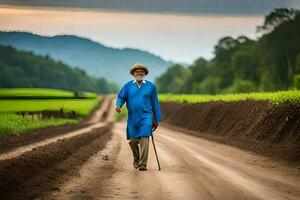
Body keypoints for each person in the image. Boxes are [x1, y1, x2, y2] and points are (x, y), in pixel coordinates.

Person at [115, 63, 162, 171]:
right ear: (133, 74)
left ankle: (142, 164)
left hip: (146, 117)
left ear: (145, 73)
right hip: (132, 118)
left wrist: (156, 119)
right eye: (137, 71)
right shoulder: (128, 86)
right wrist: (119, 105)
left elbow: (155, 103)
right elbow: (121, 97)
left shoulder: (151, 86)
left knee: (145, 139)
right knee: (133, 141)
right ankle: (136, 158)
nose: (139, 73)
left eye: (141, 71)